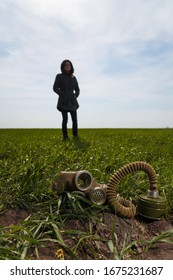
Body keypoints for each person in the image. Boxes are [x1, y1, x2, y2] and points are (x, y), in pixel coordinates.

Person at [53, 60, 80, 140]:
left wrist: (75, 95)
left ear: (71, 66)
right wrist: (62, 94)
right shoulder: (59, 76)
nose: (67, 66)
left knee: (74, 120)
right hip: (63, 101)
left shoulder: (73, 77)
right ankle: (65, 137)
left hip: (72, 101)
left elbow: (77, 89)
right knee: (65, 119)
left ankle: (75, 136)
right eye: (66, 65)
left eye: (69, 65)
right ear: (63, 67)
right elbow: (55, 87)